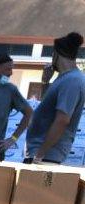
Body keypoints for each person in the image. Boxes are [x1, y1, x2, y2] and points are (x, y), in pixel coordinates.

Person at [25, 32, 85, 164]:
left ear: (57, 54)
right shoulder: (64, 78)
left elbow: (62, 120)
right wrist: (45, 83)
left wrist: (40, 155)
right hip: (41, 153)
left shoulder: (72, 80)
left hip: (46, 156)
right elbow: (48, 109)